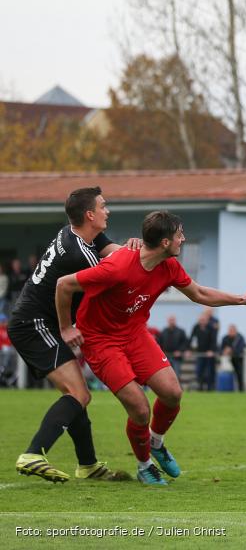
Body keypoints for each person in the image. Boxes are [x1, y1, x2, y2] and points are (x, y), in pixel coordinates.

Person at [55, 210, 246, 485]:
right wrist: (66, 327)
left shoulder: (169, 266)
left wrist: (240, 299)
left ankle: (156, 442)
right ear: (165, 242)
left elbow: (198, 293)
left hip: (134, 333)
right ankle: (144, 466)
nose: (183, 239)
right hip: (101, 340)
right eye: (179, 235)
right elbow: (63, 284)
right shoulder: (118, 266)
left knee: (172, 393)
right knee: (140, 408)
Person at [9, 187, 140, 483]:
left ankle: (88, 465)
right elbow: (112, 279)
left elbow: (116, 255)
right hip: (35, 324)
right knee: (79, 394)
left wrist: (139, 250)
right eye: (104, 206)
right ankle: (33, 453)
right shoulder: (78, 253)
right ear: (90, 215)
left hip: (40, 321)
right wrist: (67, 327)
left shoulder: (81, 235)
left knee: (77, 394)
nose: (108, 211)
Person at [190, 312, 218, 391]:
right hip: (200, 353)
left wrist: (211, 350)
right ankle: (200, 388)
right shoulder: (196, 327)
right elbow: (191, 338)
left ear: (207, 320)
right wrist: (188, 349)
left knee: (210, 372)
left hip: (210, 353)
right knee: (199, 371)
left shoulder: (211, 328)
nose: (202, 321)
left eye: (203, 320)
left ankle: (210, 388)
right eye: (200, 320)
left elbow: (214, 340)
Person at [158, 316, 189, 381]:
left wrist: (179, 351)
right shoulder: (164, 331)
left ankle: (177, 389)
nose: (171, 321)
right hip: (166, 357)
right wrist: (162, 352)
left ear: (175, 321)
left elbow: (185, 343)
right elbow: (159, 343)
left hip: (176, 357)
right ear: (168, 321)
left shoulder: (181, 331)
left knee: (176, 374)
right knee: (166, 374)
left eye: (173, 320)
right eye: (170, 320)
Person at [221, 324, 246, 392]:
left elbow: (242, 348)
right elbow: (221, 348)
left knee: (239, 375)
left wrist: (231, 350)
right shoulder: (225, 338)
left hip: (238, 360)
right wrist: (224, 351)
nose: (231, 332)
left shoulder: (240, 338)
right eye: (230, 330)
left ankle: (241, 390)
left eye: (232, 330)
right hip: (227, 360)